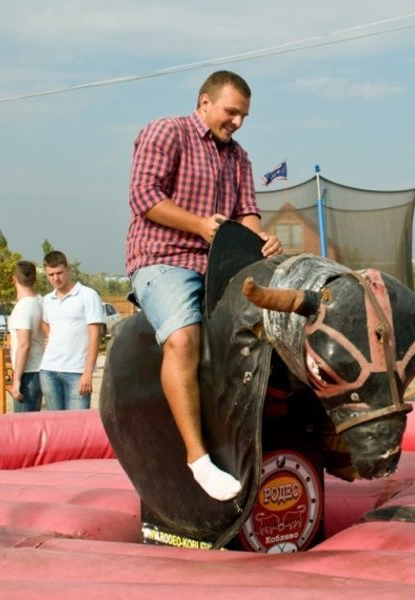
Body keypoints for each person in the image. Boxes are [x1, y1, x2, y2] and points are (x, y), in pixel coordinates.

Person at [126, 70, 282, 501]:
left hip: (222, 266)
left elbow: (246, 211)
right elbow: (144, 196)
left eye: (244, 116)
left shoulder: (240, 157)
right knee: (183, 339)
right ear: (205, 102)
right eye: (232, 112)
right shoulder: (166, 132)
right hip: (163, 260)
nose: (237, 123)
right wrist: (199, 225)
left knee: (279, 320)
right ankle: (197, 459)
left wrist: (260, 237)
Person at [39, 250, 104, 410]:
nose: (55, 278)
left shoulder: (88, 295)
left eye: (59, 272)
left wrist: (88, 372)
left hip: (77, 372)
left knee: (77, 428)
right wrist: (50, 336)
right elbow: (43, 321)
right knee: (55, 426)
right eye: (51, 274)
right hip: (49, 371)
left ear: (68, 269)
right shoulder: (47, 300)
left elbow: (95, 335)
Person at [9, 260, 45, 412]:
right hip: (41, 369)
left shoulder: (22, 307)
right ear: (35, 279)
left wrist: (16, 379)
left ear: (14, 279)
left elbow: (24, 344)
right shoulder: (42, 301)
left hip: (28, 372)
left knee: (23, 428)